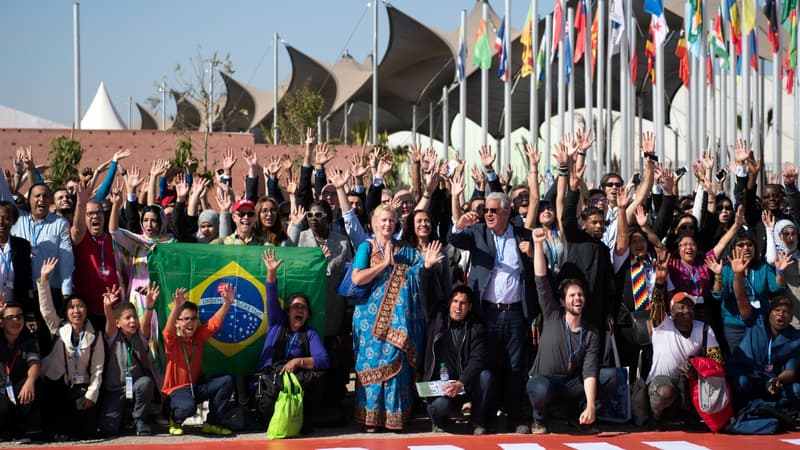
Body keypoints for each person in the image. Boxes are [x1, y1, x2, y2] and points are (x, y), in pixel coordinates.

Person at [448, 192, 536, 434]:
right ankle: (480, 419)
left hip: (516, 312)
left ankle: (515, 418)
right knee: (485, 368)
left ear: (506, 212)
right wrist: (459, 225)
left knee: (516, 367)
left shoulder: (522, 235)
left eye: (493, 211)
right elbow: (453, 239)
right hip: (487, 312)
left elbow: (538, 266)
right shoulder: (478, 233)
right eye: (486, 210)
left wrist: (531, 253)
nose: (488, 214)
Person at [527, 228, 617, 435]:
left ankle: (580, 415)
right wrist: (538, 245)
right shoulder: (552, 314)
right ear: (562, 301)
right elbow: (541, 279)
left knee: (610, 376)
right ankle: (539, 420)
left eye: (580, 295)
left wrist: (591, 405)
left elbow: (589, 371)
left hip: (572, 384)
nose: (577, 299)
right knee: (539, 388)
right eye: (572, 296)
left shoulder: (591, 332)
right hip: (545, 379)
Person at [351, 204, 425, 432]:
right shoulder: (367, 247)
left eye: (391, 221)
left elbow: (420, 269)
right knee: (369, 364)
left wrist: (418, 267)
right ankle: (371, 418)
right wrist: (384, 265)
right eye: (383, 220)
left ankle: (396, 417)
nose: (387, 225)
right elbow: (356, 278)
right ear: (374, 224)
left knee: (397, 365)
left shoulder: (405, 250)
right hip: (368, 321)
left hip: (399, 321)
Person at [419, 241, 491, 435]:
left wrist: (461, 382)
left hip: (463, 385)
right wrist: (427, 268)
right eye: (455, 302)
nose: (458, 307)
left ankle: (477, 422)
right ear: (449, 303)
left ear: (469, 307)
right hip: (439, 386)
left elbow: (478, 359)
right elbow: (426, 294)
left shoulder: (476, 326)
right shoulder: (437, 317)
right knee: (439, 407)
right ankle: (439, 421)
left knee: (485, 376)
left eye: (463, 304)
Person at [645, 252, 722, 429]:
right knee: (665, 392)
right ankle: (655, 416)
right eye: (681, 306)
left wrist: (697, 367)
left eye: (689, 306)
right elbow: (657, 304)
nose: (686, 310)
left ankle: (690, 413)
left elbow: (717, 362)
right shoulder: (662, 324)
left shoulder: (704, 328)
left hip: (690, 382)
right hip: (662, 382)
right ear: (671, 312)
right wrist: (659, 283)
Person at [254, 250, 329, 431]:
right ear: (288, 312)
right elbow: (271, 297)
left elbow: (323, 360)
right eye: (295, 307)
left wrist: (298, 361)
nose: (299, 310)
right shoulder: (276, 324)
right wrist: (271, 272)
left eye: (303, 307)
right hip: (271, 382)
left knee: (321, 376)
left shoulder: (310, 333)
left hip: (295, 383)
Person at [725, 244, 800, 412]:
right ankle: (742, 411)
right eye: (778, 311)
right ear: (769, 313)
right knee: (741, 382)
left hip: (770, 381)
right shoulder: (756, 320)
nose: (782, 315)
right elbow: (741, 299)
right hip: (747, 376)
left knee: (796, 389)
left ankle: (778, 413)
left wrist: (778, 380)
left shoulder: (794, 338)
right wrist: (737, 274)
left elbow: (790, 371)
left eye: (787, 312)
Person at [38, 257, 104, 441]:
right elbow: (46, 309)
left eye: (80, 306)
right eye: (71, 307)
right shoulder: (58, 328)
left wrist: (91, 395)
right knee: (60, 433)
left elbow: (97, 370)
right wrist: (44, 280)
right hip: (57, 386)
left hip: (82, 388)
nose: (76, 311)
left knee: (87, 432)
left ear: (86, 310)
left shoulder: (95, 335)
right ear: (66, 312)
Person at [162, 284, 235, 436]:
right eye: (186, 319)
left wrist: (227, 303)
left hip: (195, 388)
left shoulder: (198, 338)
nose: (191, 322)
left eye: (194, 318)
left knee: (227, 380)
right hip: (176, 391)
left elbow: (214, 324)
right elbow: (168, 330)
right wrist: (176, 308)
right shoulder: (173, 342)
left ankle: (212, 423)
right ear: (177, 322)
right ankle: (174, 418)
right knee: (189, 407)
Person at [97, 284, 157, 437]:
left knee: (146, 383)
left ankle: (139, 419)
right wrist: (108, 307)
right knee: (108, 430)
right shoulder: (113, 337)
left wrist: (149, 307)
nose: (133, 321)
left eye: (134, 317)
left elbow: (146, 323)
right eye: (127, 318)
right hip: (115, 391)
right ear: (118, 323)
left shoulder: (140, 337)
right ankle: (123, 417)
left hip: (135, 388)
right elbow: (109, 320)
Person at [11, 183, 74, 309]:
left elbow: (66, 258)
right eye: (37, 196)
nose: (41, 199)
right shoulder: (17, 219)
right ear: (29, 200)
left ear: (50, 201)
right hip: (22, 290)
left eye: (45, 196)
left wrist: (66, 293)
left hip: (51, 290)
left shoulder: (59, 223)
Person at [71, 181, 121, 332]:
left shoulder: (112, 239)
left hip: (114, 309)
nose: (95, 216)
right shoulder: (81, 239)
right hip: (88, 311)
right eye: (90, 214)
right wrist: (80, 204)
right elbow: (77, 228)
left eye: (98, 212)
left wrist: (117, 204)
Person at [0, 298, 41, 441]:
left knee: (32, 386)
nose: (16, 321)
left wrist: (30, 381)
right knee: (3, 408)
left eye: (19, 316)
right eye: (10, 317)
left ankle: (20, 431)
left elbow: (34, 363)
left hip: (14, 386)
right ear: (1, 322)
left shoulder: (27, 338)